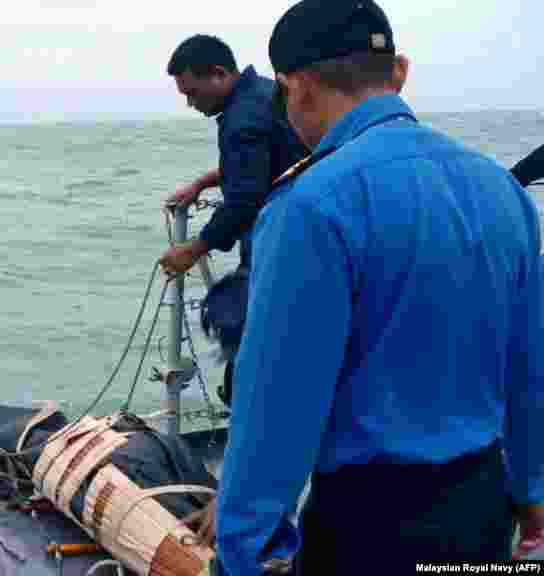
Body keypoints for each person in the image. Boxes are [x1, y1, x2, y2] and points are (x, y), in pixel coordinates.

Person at [209, 1, 544, 575]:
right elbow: (531, 368)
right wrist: (533, 491)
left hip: (370, 526)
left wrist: (242, 552)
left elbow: (278, 408)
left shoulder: (311, 207)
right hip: (485, 508)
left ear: (299, 87)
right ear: (399, 73)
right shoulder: (503, 191)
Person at [158, 35, 307, 409]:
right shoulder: (264, 92)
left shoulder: (241, 118)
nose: (191, 104)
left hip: (281, 242)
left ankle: (253, 431)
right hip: (309, 231)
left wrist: (191, 250)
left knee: (252, 355)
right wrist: (203, 183)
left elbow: (244, 200)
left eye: (192, 93)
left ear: (219, 74)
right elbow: (263, 161)